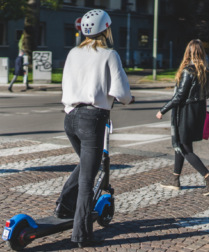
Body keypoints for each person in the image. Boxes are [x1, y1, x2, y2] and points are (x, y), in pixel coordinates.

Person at [55, 9, 134, 248]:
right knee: (88, 180)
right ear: (106, 29)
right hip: (92, 119)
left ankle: (64, 204)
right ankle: (82, 235)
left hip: (70, 118)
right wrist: (129, 100)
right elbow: (121, 93)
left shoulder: (73, 53)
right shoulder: (109, 55)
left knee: (87, 165)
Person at [156, 39, 209, 196]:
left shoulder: (188, 71)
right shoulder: (206, 72)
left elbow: (179, 96)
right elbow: (207, 94)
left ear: (189, 53)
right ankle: (175, 179)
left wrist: (162, 110)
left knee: (185, 148)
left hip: (186, 112)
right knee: (183, 144)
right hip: (198, 112)